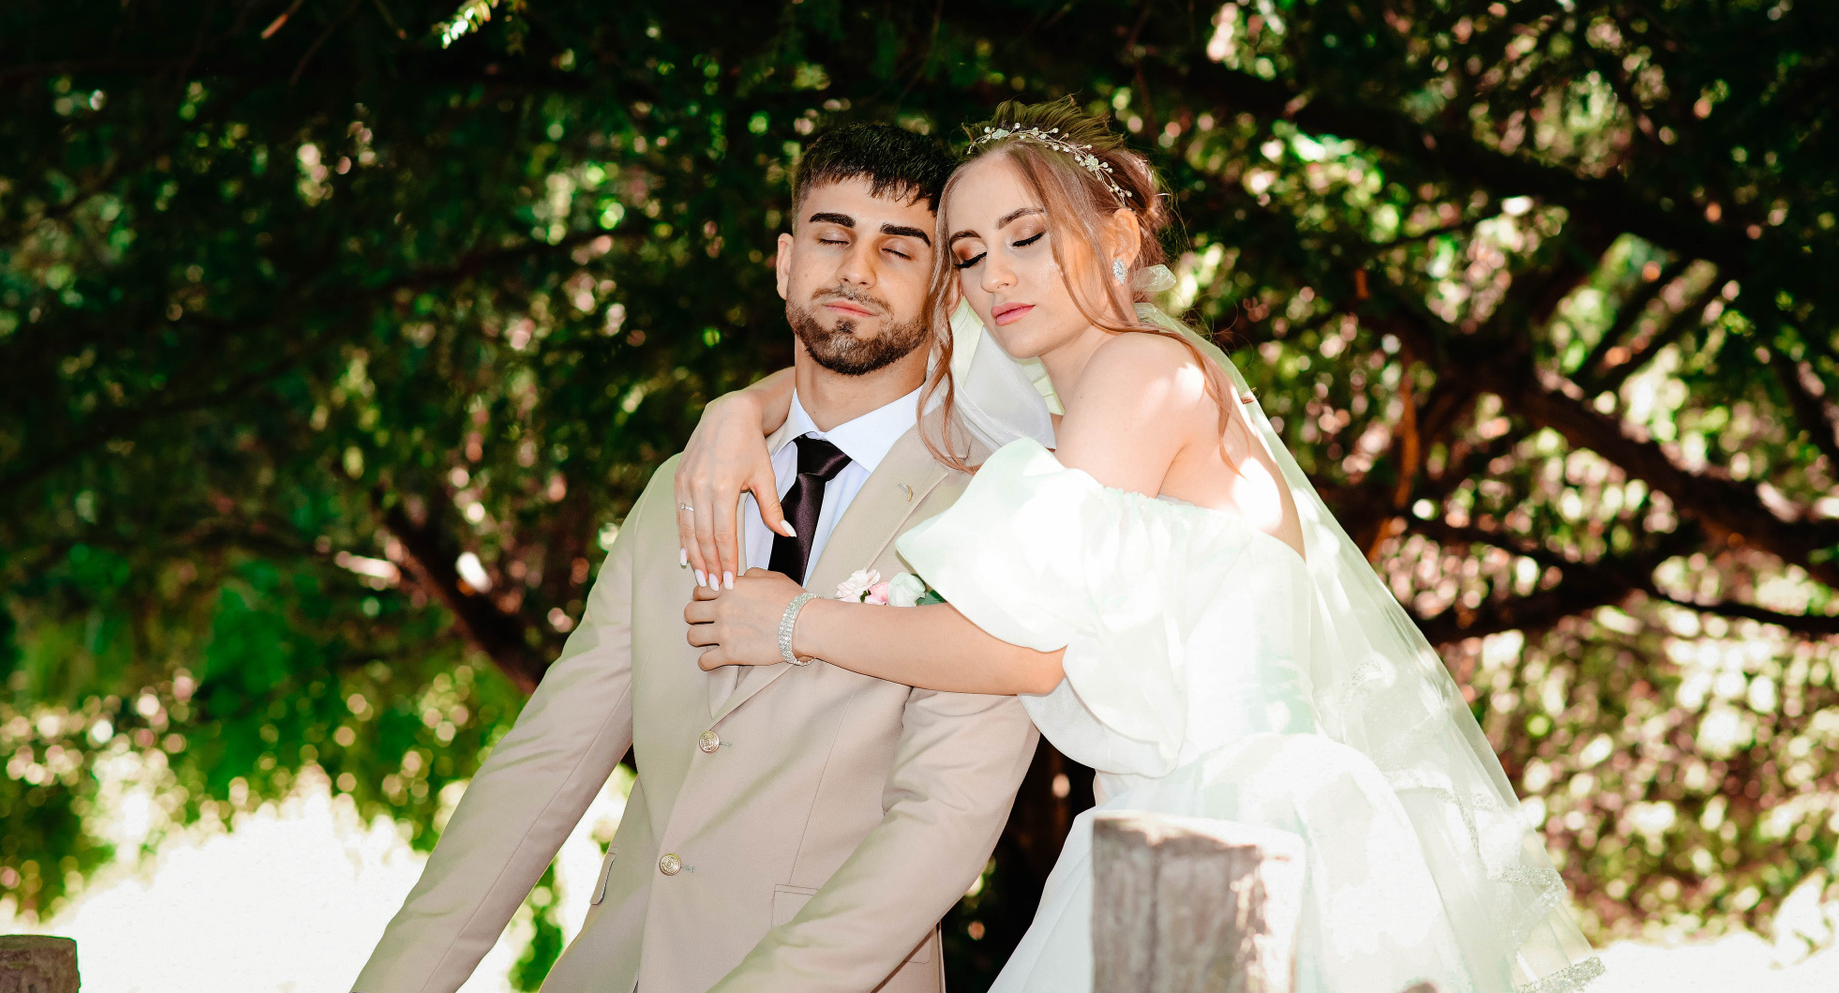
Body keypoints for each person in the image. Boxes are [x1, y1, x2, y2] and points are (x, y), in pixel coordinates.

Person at [679, 100, 1603, 993]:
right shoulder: (1095, 412)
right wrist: (740, 409)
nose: (995, 276)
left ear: (1117, 238)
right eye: (969, 254)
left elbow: (1024, 652)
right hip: (1189, 817)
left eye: (1026, 237)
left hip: (1223, 822)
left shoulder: (1137, 375)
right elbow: (878, 389)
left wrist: (795, 623)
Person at [353, 123, 1039, 993]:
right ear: (785, 263)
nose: (857, 271)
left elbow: (942, 824)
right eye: (832, 237)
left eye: (898, 249)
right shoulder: (681, 487)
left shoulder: (991, 512)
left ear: (945, 292)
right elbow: (545, 762)